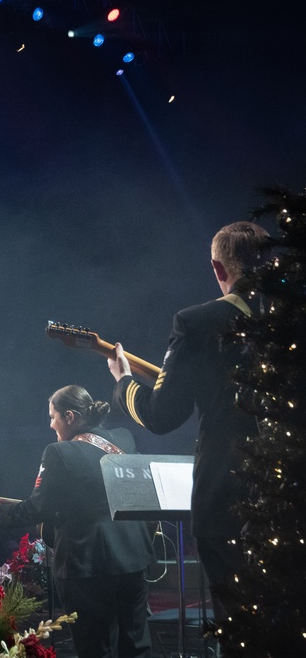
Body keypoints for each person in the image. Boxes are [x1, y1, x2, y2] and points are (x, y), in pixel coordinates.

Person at [108, 220, 270, 627]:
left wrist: (123, 381)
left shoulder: (197, 323)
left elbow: (161, 416)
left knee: (243, 628)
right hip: (292, 499)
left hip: (229, 497)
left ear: (218, 268)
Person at [0, 385, 154, 658]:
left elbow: (37, 509)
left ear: (69, 417)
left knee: (96, 648)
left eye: (53, 417)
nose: (51, 425)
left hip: (87, 565)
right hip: (133, 557)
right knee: (137, 646)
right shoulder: (124, 438)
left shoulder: (59, 453)